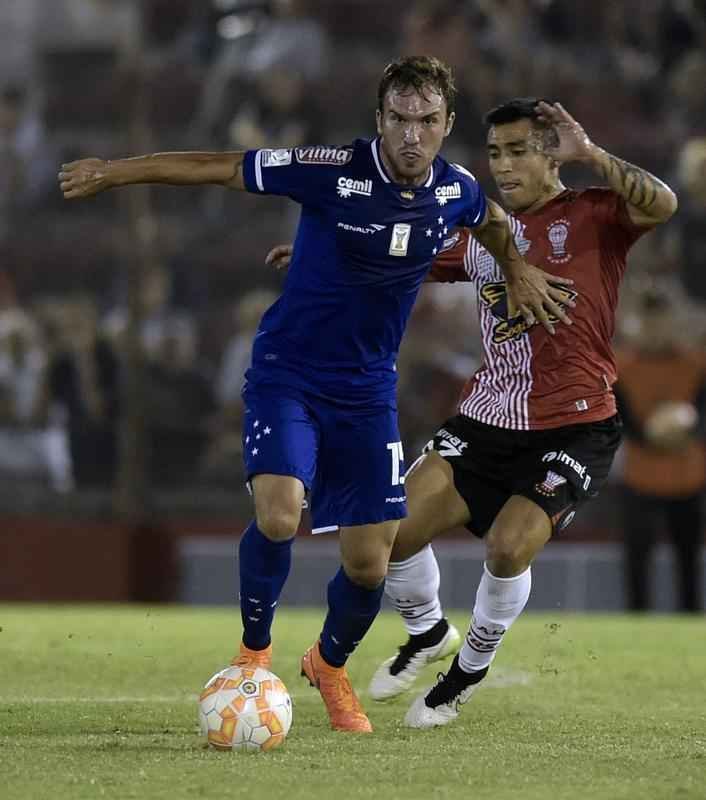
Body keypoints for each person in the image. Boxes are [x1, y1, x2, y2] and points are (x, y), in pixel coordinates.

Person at [58, 58, 572, 734]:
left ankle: (328, 665)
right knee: (280, 515)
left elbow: (492, 221)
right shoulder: (333, 170)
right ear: (379, 119)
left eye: (426, 120)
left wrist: (517, 268)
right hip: (289, 373)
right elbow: (220, 166)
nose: (411, 134)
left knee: (370, 563)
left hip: (367, 393)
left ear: (447, 124)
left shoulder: (457, 189)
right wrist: (114, 171)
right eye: (399, 118)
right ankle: (252, 654)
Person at [270, 96, 679, 728]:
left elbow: (663, 204)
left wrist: (593, 153)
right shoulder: (481, 234)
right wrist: (319, 257)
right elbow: (396, 255)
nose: (503, 166)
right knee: (388, 535)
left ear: (552, 156)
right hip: (485, 421)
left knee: (508, 549)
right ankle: (430, 631)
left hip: (576, 425)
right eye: (494, 154)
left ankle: (468, 670)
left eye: (518, 152)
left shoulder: (594, 214)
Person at [614, 288, 705, 613]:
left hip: (689, 475)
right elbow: (620, 420)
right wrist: (653, 434)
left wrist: (687, 431)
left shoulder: (696, 364)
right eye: (650, 321)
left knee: (689, 558)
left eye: (662, 320)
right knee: (637, 558)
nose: (656, 328)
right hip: (640, 475)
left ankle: (691, 621)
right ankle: (636, 620)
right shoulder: (622, 368)